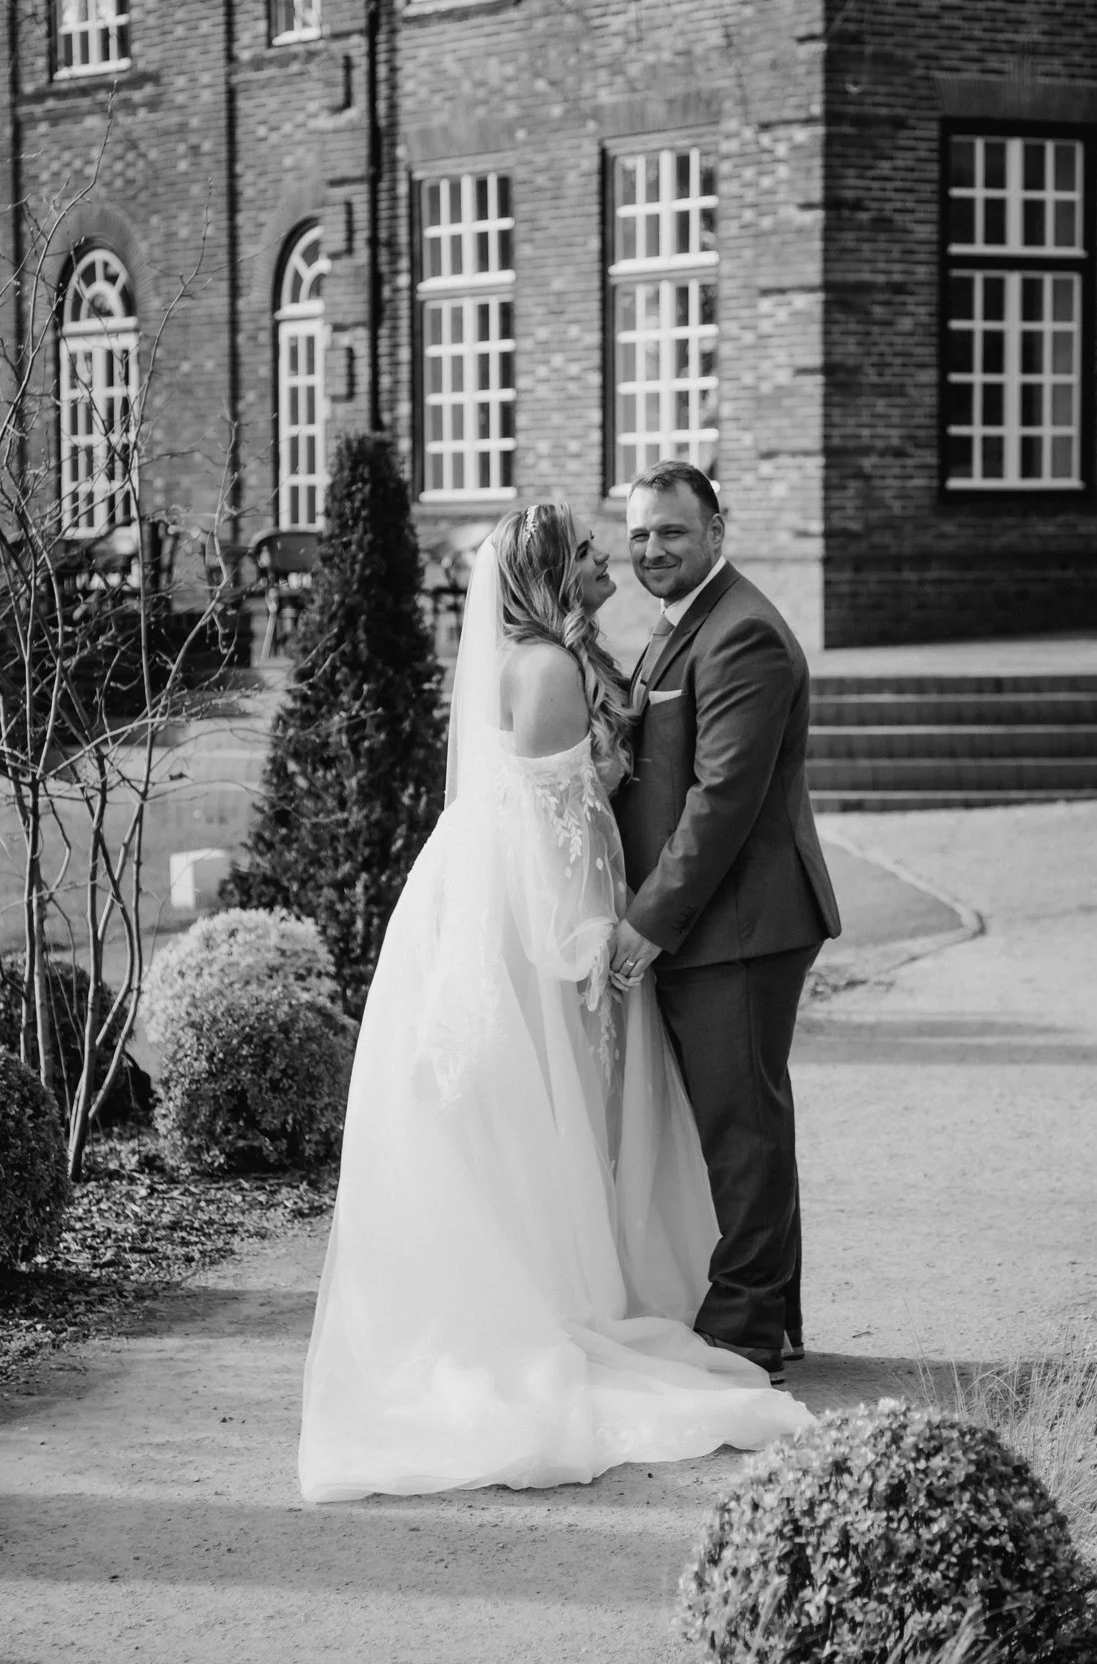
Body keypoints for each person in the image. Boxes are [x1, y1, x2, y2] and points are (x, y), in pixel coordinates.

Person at [298, 501, 811, 1503]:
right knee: (556, 1113)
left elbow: (565, 800)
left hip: (502, 905)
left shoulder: (554, 658)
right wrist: (587, 941)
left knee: (553, 1116)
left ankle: (703, 1301)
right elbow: (552, 827)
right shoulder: (549, 669)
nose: (611, 555)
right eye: (589, 550)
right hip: (533, 917)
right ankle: (611, 1300)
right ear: (548, 574)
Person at [611, 462, 842, 1380]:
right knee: (740, 1120)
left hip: (741, 923)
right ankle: (769, 1316)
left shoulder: (742, 634)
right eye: (638, 536)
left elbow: (721, 804)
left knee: (740, 1128)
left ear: (716, 530)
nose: (652, 550)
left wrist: (645, 922)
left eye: (670, 531)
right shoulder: (682, 627)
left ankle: (744, 1332)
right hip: (718, 923)